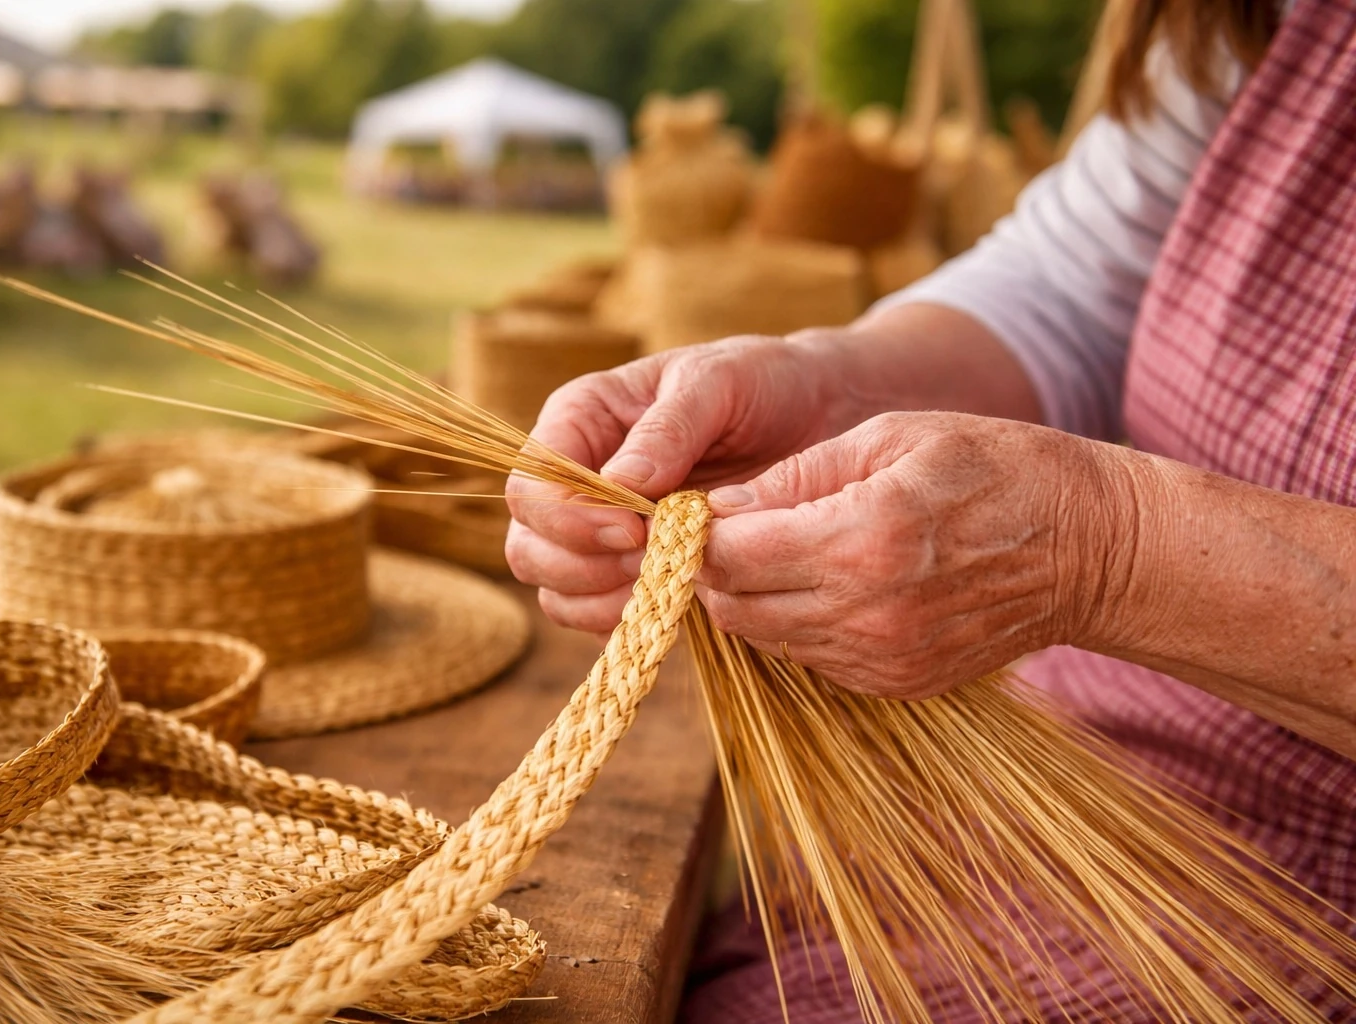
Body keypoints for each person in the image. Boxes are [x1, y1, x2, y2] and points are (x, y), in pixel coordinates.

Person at [506, 0, 1356, 1019]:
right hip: (1060, 797)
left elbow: (1109, 536)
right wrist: (827, 383)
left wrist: (1114, 551)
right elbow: (1075, 286)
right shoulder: (1275, 20)